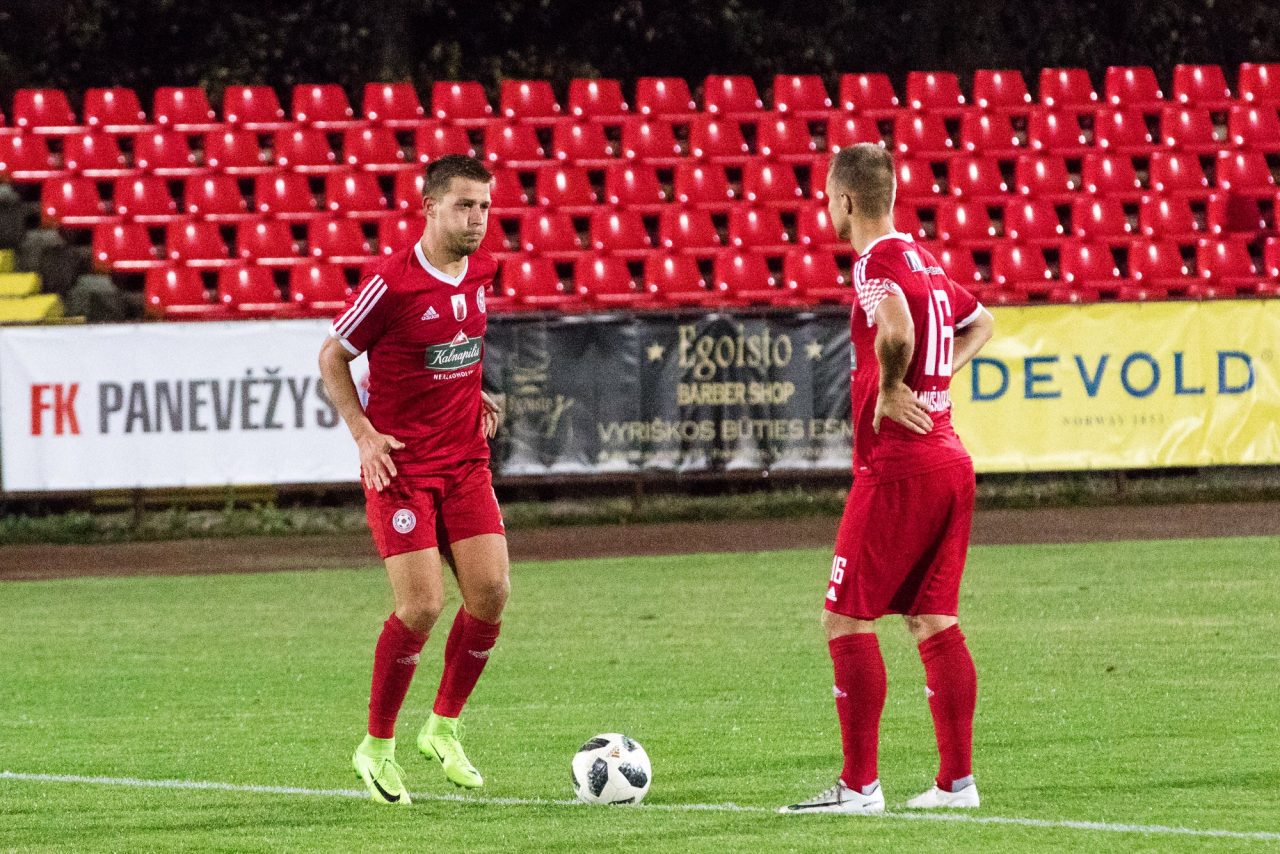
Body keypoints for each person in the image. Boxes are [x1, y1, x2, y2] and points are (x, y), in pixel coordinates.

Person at [780, 143, 995, 815]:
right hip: (950, 457)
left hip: (900, 465)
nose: (827, 209)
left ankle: (858, 787)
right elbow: (982, 322)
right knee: (934, 620)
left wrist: (895, 385)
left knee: (843, 619)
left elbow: (896, 328)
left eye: (828, 198)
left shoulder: (874, 264)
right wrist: (938, 376)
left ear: (845, 200)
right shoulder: (925, 260)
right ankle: (956, 785)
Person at [318, 154, 509, 805]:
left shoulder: (482, 270)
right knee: (422, 605)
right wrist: (364, 435)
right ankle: (376, 747)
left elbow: (456, 347)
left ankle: (443, 728)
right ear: (429, 207)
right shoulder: (391, 284)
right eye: (464, 205)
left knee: (491, 593)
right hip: (402, 468)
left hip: (465, 462)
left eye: (484, 206)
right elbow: (332, 356)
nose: (477, 219)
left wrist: (475, 394)